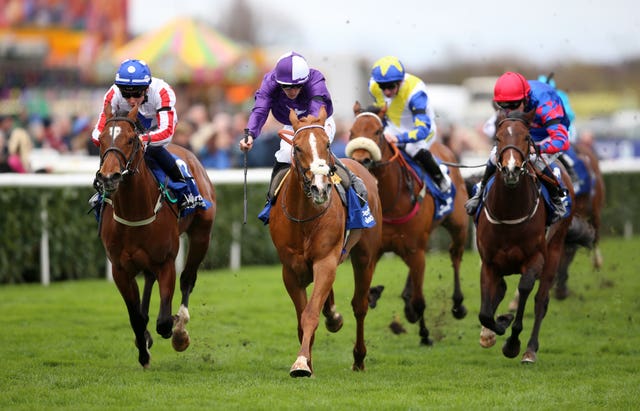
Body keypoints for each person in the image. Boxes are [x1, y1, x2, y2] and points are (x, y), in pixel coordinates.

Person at [239, 51, 373, 228]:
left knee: (317, 151)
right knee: (285, 154)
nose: (292, 91)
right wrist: (250, 134)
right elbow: (260, 110)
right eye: (286, 87)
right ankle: (271, 201)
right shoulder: (270, 82)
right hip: (292, 125)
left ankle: (355, 190)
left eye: (297, 87)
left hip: (319, 123)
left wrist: (307, 136)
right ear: (279, 82)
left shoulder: (316, 79)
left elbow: (317, 110)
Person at [465, 71, 571, 223]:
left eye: (514, 105)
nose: (509, 111)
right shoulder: (511, 101)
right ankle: (480, 193)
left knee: (536, 161)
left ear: (525, 98)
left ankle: (556, 200)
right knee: (495, 156)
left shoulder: (546, 102)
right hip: (521, 131)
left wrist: (538, 149)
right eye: (503, 106)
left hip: (547, 134)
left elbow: (562, 141)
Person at [90, 59, 194, 211]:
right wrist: (110, 142)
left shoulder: (162, 92)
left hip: (156, 127)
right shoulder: (113, 93)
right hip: (130, 129)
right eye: (126, 94)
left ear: (146, 88)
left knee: (154, 151)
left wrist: (143, 139)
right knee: (112, 150)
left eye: (137, 94)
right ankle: (102, 191)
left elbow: (167, 132)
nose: (132, 100)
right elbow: (97, 132)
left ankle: (183, 189)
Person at [367, 55, 451, 193]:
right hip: (393, 129)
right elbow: (381, 108)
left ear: (400, 82)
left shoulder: (415, 92)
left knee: (413, 148)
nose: (386, 92)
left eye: (391, 87)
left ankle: (440, 178)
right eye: (383, 87)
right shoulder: (373, 86)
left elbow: (423, 130)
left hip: (422, 130)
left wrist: (399, 139)